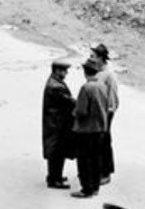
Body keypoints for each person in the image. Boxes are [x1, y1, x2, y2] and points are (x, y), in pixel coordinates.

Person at [71, 57, 110, 198]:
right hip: (100, 128)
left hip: (86, 130)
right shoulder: (102, 86)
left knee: (84, 160)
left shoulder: (86, 88)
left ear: (85, 72)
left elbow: (81, 111)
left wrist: (74, 112)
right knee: (95, 159)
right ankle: (94, 187)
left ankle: (86, 189)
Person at [42, 58, 76, 189]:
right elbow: (69, 102)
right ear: (57, 71)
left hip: (54, 123)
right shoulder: (56, 86)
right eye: (64, 71)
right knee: (57, 152)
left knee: (56, 152)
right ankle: (55, 179)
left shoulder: (54, 82)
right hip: (57, 124)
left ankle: (54, 176)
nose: (66, 73)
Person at [91, 43, 119, 185]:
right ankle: (98, 170)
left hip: (106, 112)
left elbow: (112, 96)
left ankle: (106, 172)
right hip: (98, 112)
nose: (91, 59)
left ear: (101, 58)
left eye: (93, 57)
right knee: (97, 141)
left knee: (104, 141)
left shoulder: (108, 75)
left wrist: (109, 112)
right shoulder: (98, 72)